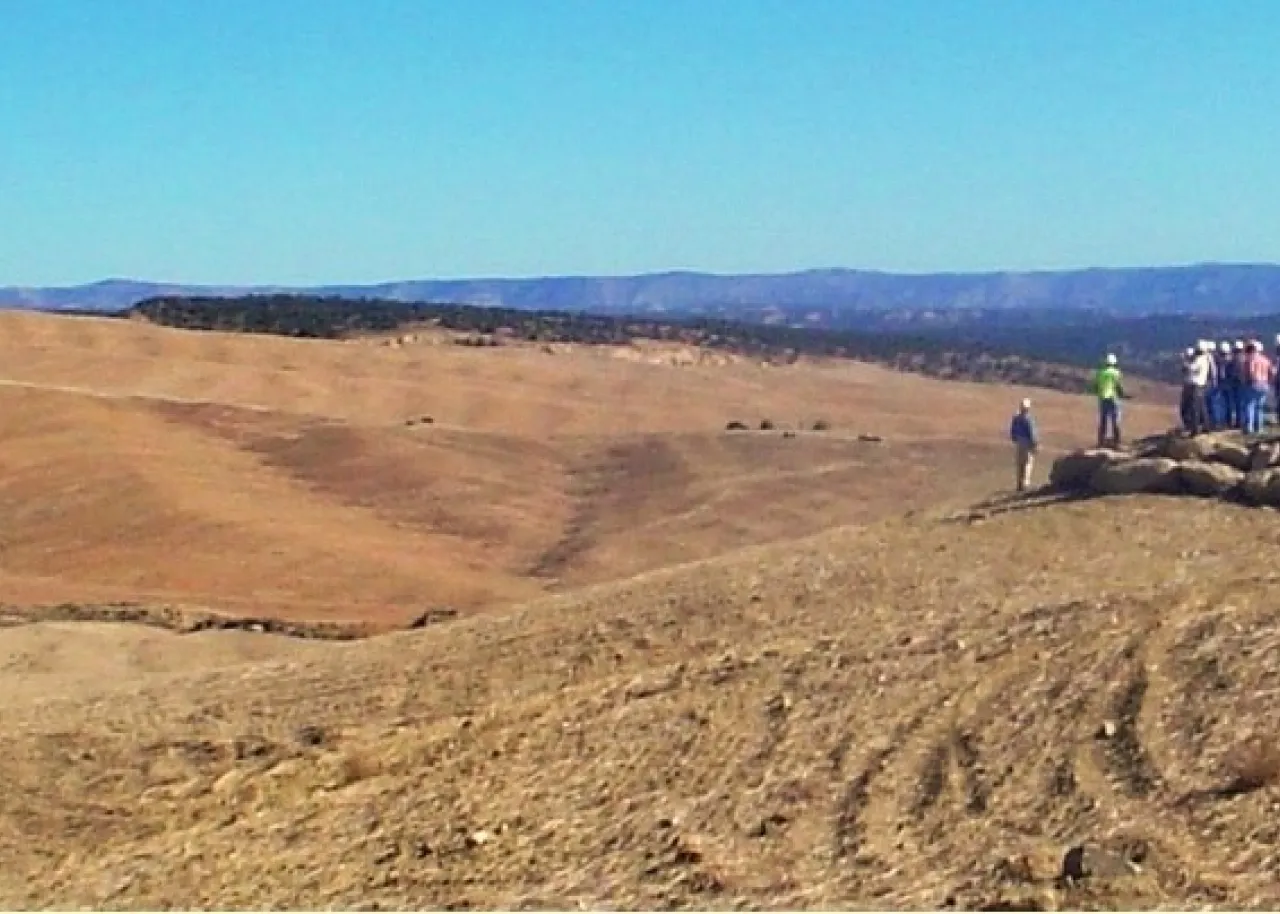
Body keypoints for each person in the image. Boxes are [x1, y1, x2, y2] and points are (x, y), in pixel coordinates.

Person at [1090, 353, 1125, 448]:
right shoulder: (1116, 372)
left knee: (1103, 421)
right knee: (1115, 421)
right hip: (1113, 398)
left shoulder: (1099, 372)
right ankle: (1117, 442)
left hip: (1102, 399)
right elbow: (1118, 386)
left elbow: (1095, 387)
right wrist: (1123, 394)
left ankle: (1101, 442)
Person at [1242, 340, 1274, 435]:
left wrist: (1250, 380)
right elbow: (1272, 372)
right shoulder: (1265, 359)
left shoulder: (1251, 360)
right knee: (1259, 407)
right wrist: (1268, 382)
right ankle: (1259, 428)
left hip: (1254, 384)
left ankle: (1249, 428)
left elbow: (1250, 372)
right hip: (1264, 384)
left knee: (1250, 405)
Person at [1180, 342, 1212, 436]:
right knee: (1202, 407)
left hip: (1195, 386)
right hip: (1201, 385)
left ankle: (1195, 429)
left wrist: (1184, 361)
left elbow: (1190, 368)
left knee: (1195, 408)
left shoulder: (1199, 360)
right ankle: (1206, 426)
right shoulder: (1205, 359)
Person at [1009, 397, 1038, 492]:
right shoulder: (1028, 419)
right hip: (1027, 443)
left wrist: (1015, 439)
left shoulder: (1016, 418)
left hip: (1019, 442)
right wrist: (1034, 445)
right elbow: (1032, 433)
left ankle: (1019, 483)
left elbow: (1012, 431)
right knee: (1027, 464)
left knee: (1019, 464)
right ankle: (1025, 484)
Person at [1216, 341, 1239, 429]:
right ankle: (1231, 422)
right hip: (1229, 384)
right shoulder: (1230, 359)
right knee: (1231, 404)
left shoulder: (1220, 360)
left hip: (1224, 384)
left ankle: (1227, 422)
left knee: (1225, 404)